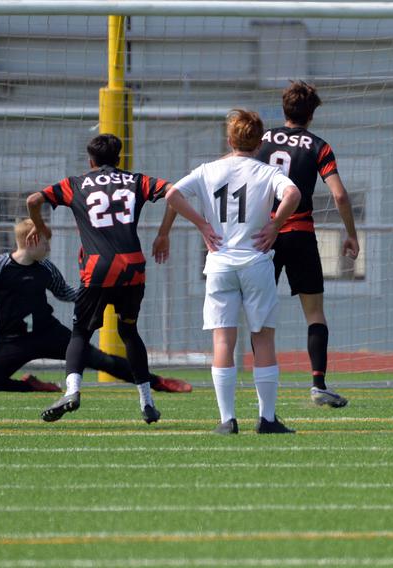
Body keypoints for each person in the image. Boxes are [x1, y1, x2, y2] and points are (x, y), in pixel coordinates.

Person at [165, 109, 301, 435]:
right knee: (263, 337)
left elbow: (172, 194)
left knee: (223, 339)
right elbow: (293, 194)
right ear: (260, 142)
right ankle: (267, 419)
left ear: (229, 140)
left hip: (220, 263)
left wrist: (201, 224)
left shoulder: (209, 170)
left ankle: (227, 419)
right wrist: (275, 224)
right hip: (255, 262)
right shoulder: (267, 172)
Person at [26, 134, 177, 424]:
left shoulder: (75, 184)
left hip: (97, 269)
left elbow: (33, 200)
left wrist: (40, 225)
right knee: (129, 332)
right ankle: (147, 402)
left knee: (81, 333)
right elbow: (173, 192)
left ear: (90, 160)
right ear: (119, 159)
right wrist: (163, 233)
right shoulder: (136, 180)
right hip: (132, 266)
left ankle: (72, 390)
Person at [0, 219, 193, 394]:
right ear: (33, 240)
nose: (48, 248)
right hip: (12, 340)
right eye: (46, 243)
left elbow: (66, 293)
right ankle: (32, 385)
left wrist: (99, 293)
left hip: (48, 333)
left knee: (100, 360)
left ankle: (157, 382)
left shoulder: (46, 268)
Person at [255, 81, 360, 408]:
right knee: (314, 314)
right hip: (299, 233)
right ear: (312, 113)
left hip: (264, 236)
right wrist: (351, 234)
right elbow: (340, 194)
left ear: (284, 108)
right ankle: (318, 383)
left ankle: (261, 388)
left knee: (259, 314)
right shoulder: (318, 146)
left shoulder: (261, 141)